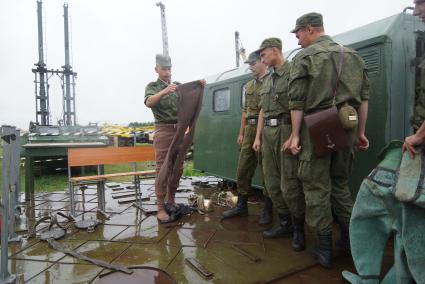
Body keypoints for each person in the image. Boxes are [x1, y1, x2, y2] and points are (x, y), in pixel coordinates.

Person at [286, 12, 369, 267]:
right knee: (341, 185)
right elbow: (363, 99)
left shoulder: (304, 57)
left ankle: (324, 249)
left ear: (310, 29)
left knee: (315, 187)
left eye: (299, 33)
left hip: (318, 126)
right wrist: (361, 133)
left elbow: (297, 102)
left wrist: (295, 134)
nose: (298, 39)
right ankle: (348, 242)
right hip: (347, 126)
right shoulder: (353, 55)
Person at [252, 38, 305, 249]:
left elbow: (298, 105)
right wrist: (257, 137)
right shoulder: (267, 80)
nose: (262, 59)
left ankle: (299, 231)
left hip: (285, 130)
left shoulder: (293, 72)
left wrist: (294, 134)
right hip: (268, 134)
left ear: (275, 51)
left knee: (289, 184)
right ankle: (285, 224)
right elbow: (263, 110)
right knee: (272, 184)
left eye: (264, 54)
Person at [222, 51, 273, 225]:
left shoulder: (271, 82)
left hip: (265, 130)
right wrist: (241, 133)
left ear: (262, 62)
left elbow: (264, 111)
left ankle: (268, 210)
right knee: (243, 168)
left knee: (267, 171)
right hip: (250, 129)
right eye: (249, 64)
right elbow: (245, 111)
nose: (250, 67)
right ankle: (242, 205)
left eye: (253, 63)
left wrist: (258, 137)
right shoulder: (249, 85)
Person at [144, 54, 184, 223]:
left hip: (179, 130)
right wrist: (165, 91)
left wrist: (200, 85)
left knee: (177, 168)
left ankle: (171, 201)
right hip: (163, 130)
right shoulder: (153, 86)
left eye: (169, 69)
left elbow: (191, 95)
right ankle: (160, 208)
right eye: (164, 69)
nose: (167, 72)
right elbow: (149, 102)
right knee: (162, 169)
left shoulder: (178, 86)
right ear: (156, 69)